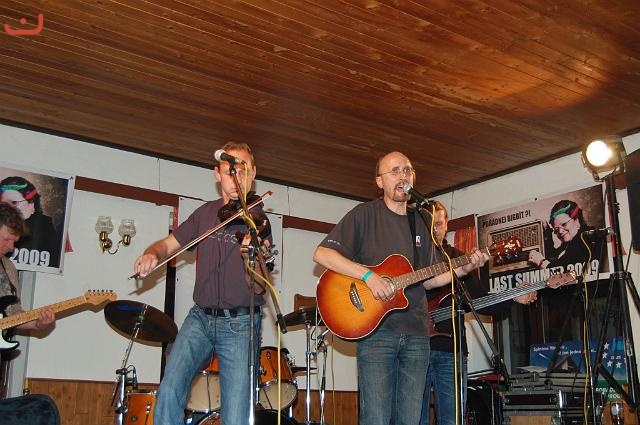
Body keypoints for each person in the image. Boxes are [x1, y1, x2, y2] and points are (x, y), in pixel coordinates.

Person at [313, 151, 489, 425]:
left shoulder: (421, 220)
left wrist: (464, 269)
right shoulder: (364, 214)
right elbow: (322, 254)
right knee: (377, 418)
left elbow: (428, 279)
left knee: (410, 419)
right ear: (379, 181)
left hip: (418, 334)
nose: (402, 175)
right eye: (394, 171)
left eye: (407, 170)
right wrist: (369, 277)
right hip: (377, 333)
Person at [133, 142, 271, 425]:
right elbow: (167, 245)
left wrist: (252, 258)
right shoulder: (204, 214)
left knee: (235, 415)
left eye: (243, 171)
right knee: (169, 389)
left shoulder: (258, 222)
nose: (236, 178)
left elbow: (259, 288)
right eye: (230, 171)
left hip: (240, 324)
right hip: (200, 318)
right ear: (218, 174)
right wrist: (152, 254)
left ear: (253, 174)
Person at [419, 201, 536, 425]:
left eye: (439, 224)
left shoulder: (459, 258)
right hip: (415, 349)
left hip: (451, 351)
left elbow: (481, 302)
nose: (435, 230)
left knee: (453, 419)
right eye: (430, 225)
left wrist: (513, 297)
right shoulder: (413, 258)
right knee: (415, 418)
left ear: (447, 225)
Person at [0, 202, 56, 398]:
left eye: (14, 242)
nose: (11, 248)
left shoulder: (8, 268)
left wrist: (38, 324)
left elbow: (13, 313)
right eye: (7, 239)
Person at [0, 177, 61, 268]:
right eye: (3, 205)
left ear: (32, 204)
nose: (11, 247)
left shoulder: (45, 227)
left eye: (14, 203)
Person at [528, 200, 596, 271]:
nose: (560, 231)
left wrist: (541, 262)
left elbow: (562, 270)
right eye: (556, 229)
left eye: (564, 224)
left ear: (577, 220)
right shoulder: (569, 243)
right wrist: (547, 231)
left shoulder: (584, 239)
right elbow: (554, 257)